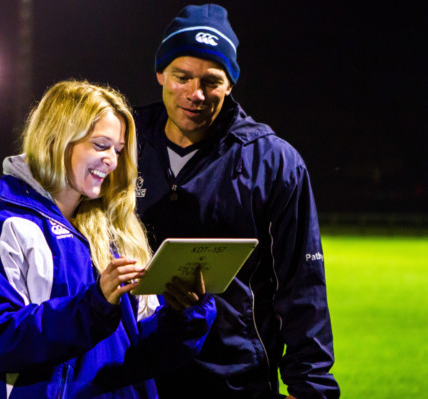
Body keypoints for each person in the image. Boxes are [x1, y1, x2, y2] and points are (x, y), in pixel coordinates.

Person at [0, 80, 217, 398]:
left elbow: (148, 356)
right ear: (57, 140)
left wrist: (184, 315)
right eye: (100, 145)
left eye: (119, 150)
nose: (112, 160)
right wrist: (94, 306)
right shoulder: (4, 228)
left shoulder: (119, 235)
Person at [133, 4, 339, 398]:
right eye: (182, 77)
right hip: (133, 376)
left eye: (211, 81)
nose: (196, 94)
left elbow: (301, 286)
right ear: (160, 73)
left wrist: (310, 386)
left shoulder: (273, 161)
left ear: (230, 84)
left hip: (233, 381)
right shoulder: (121, 143)